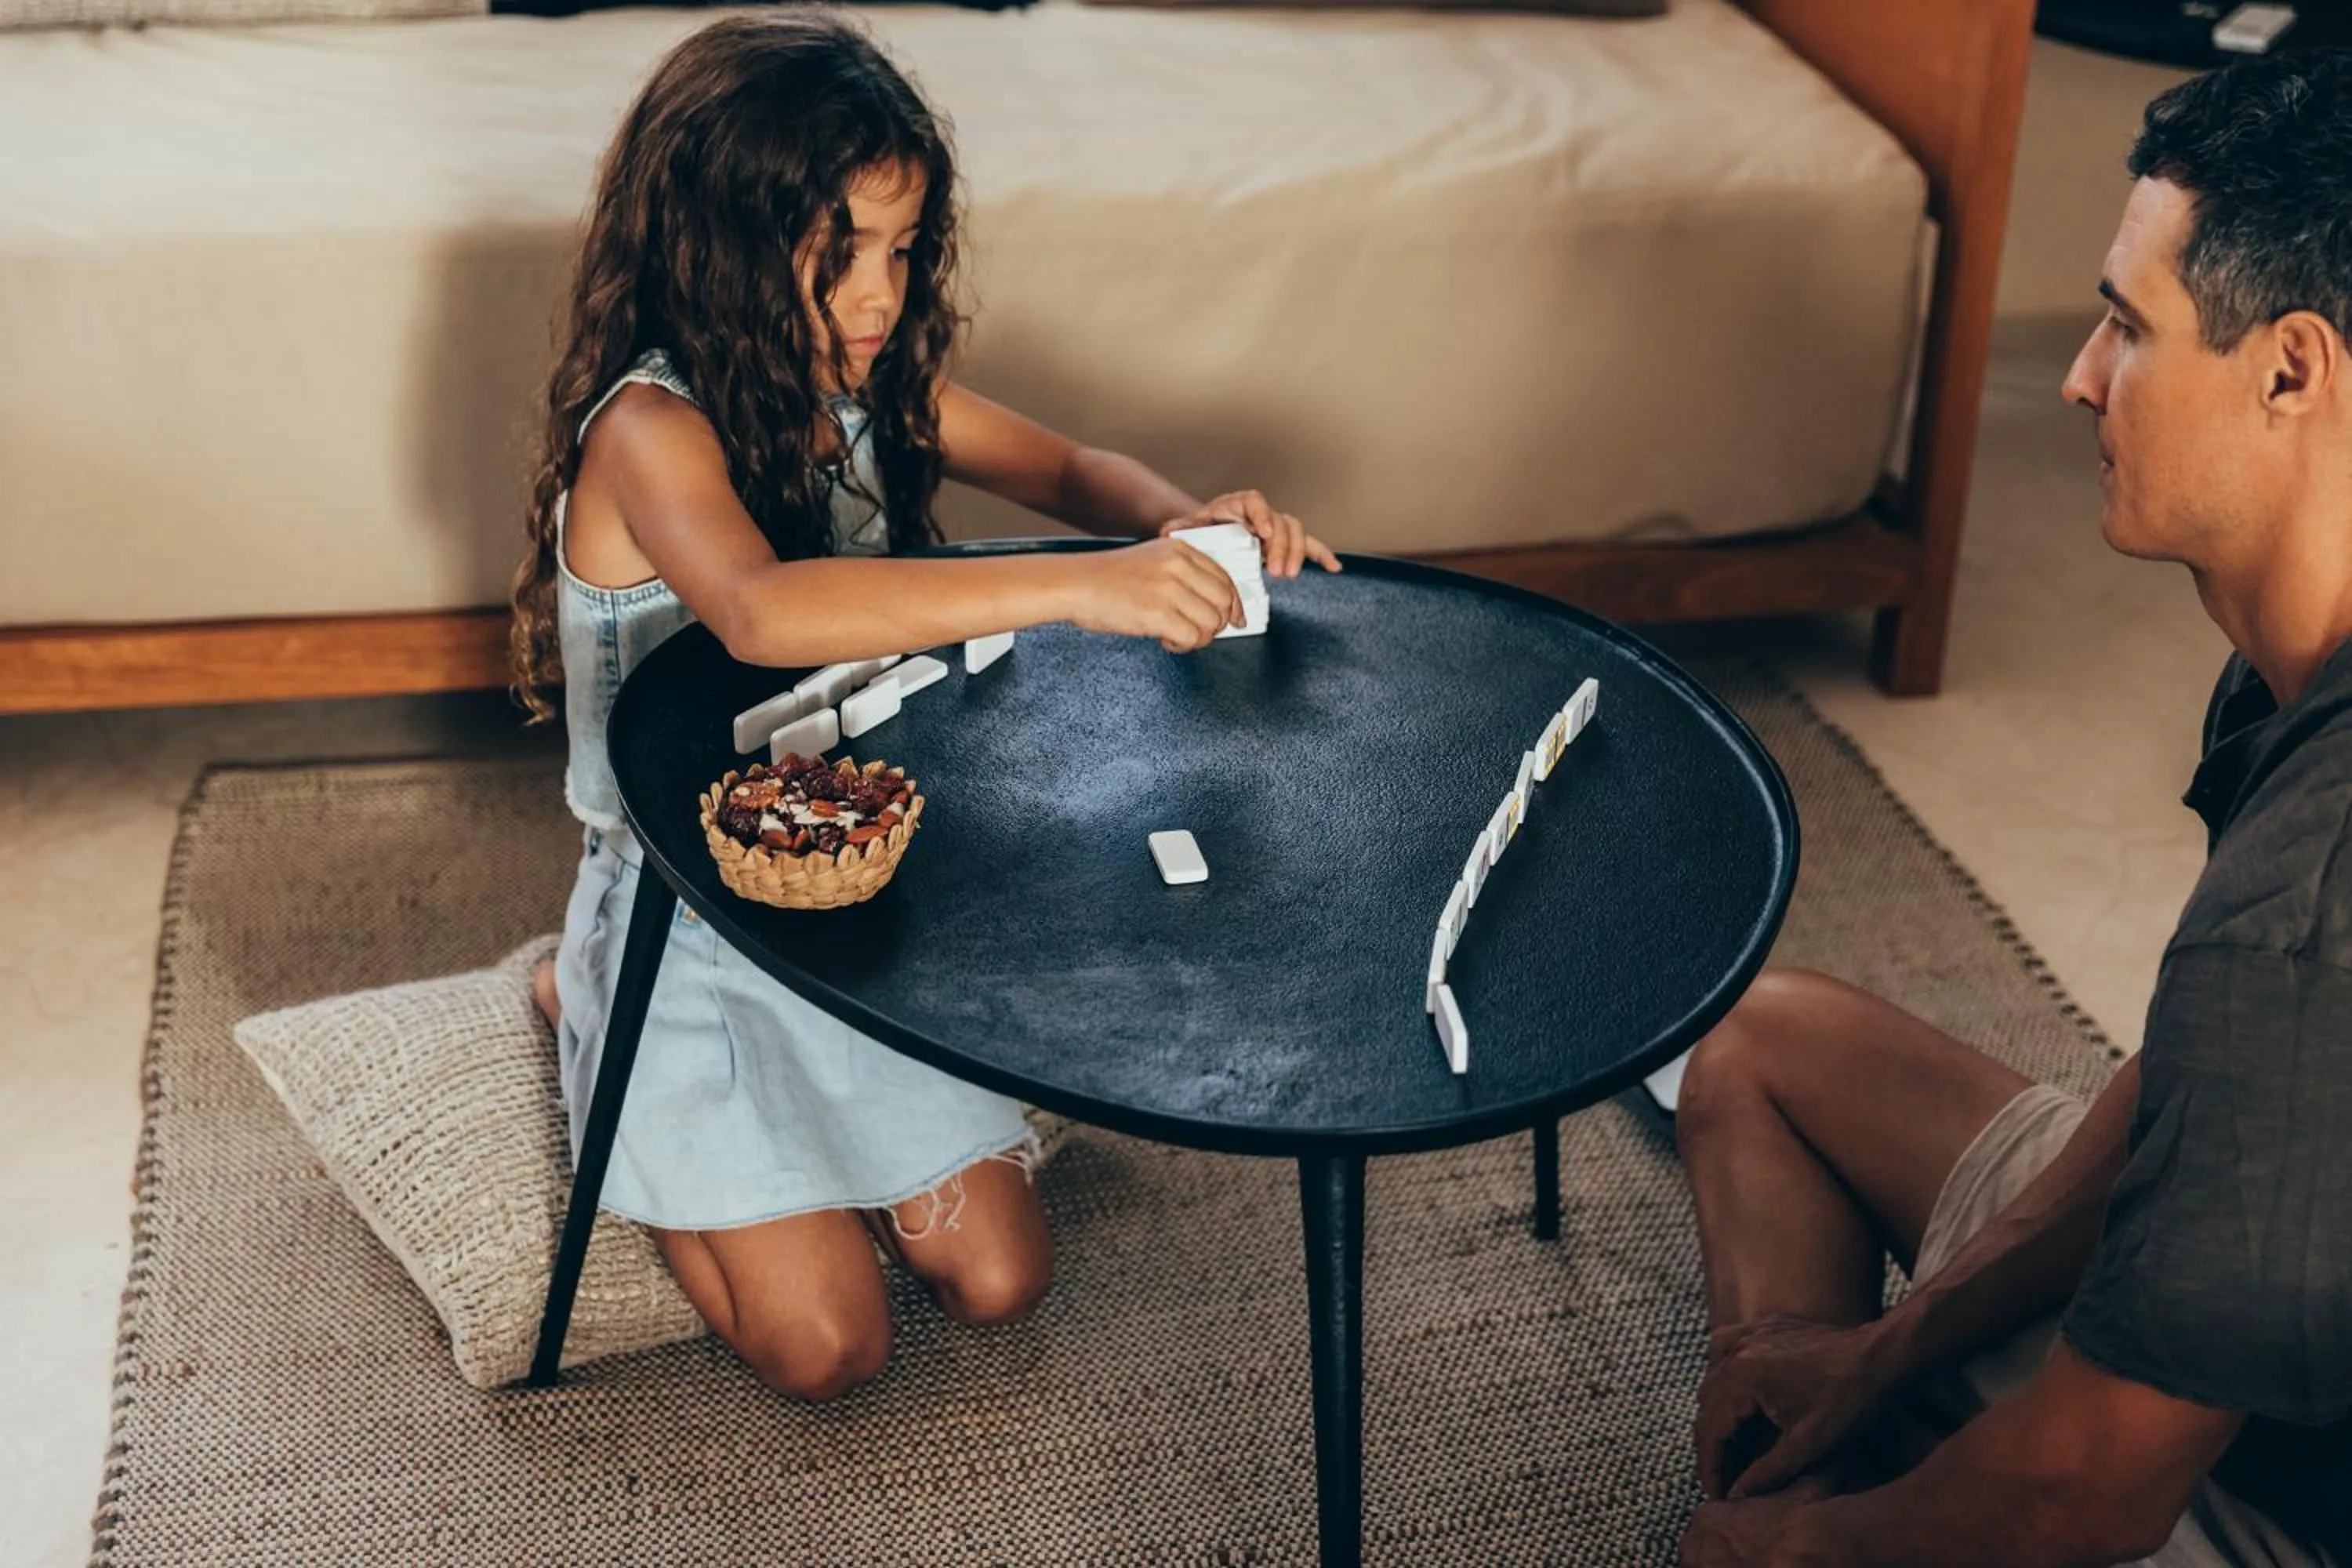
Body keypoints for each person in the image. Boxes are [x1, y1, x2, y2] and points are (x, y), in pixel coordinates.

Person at [506, 12, 1339, 1403]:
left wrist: (1181, 527)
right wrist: (1077, 594)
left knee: (1004, 1280)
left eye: (900, 250)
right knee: (829, 1350)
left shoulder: (862, 382)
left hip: (848, 882)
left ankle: (662, 1057)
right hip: (689, 905)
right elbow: (764, 609)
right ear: (719, 247)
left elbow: (1076, 470)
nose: (880, 296)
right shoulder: (646, 433)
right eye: (839, 257)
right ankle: (581, 1001)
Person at [1673, 48, 2352, 1568]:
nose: (2078, 377)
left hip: (2267, 1493)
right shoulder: (2298, 661)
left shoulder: (2305, 920)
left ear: (2291, 370)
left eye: (2127, 326)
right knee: (1768, 1043)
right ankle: (1827, 1444)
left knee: (1824, 1539)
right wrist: (1892, 1347)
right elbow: (2197, 1080)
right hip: (2258, 1303)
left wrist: (1793, 1555)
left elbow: (2088, 1489)